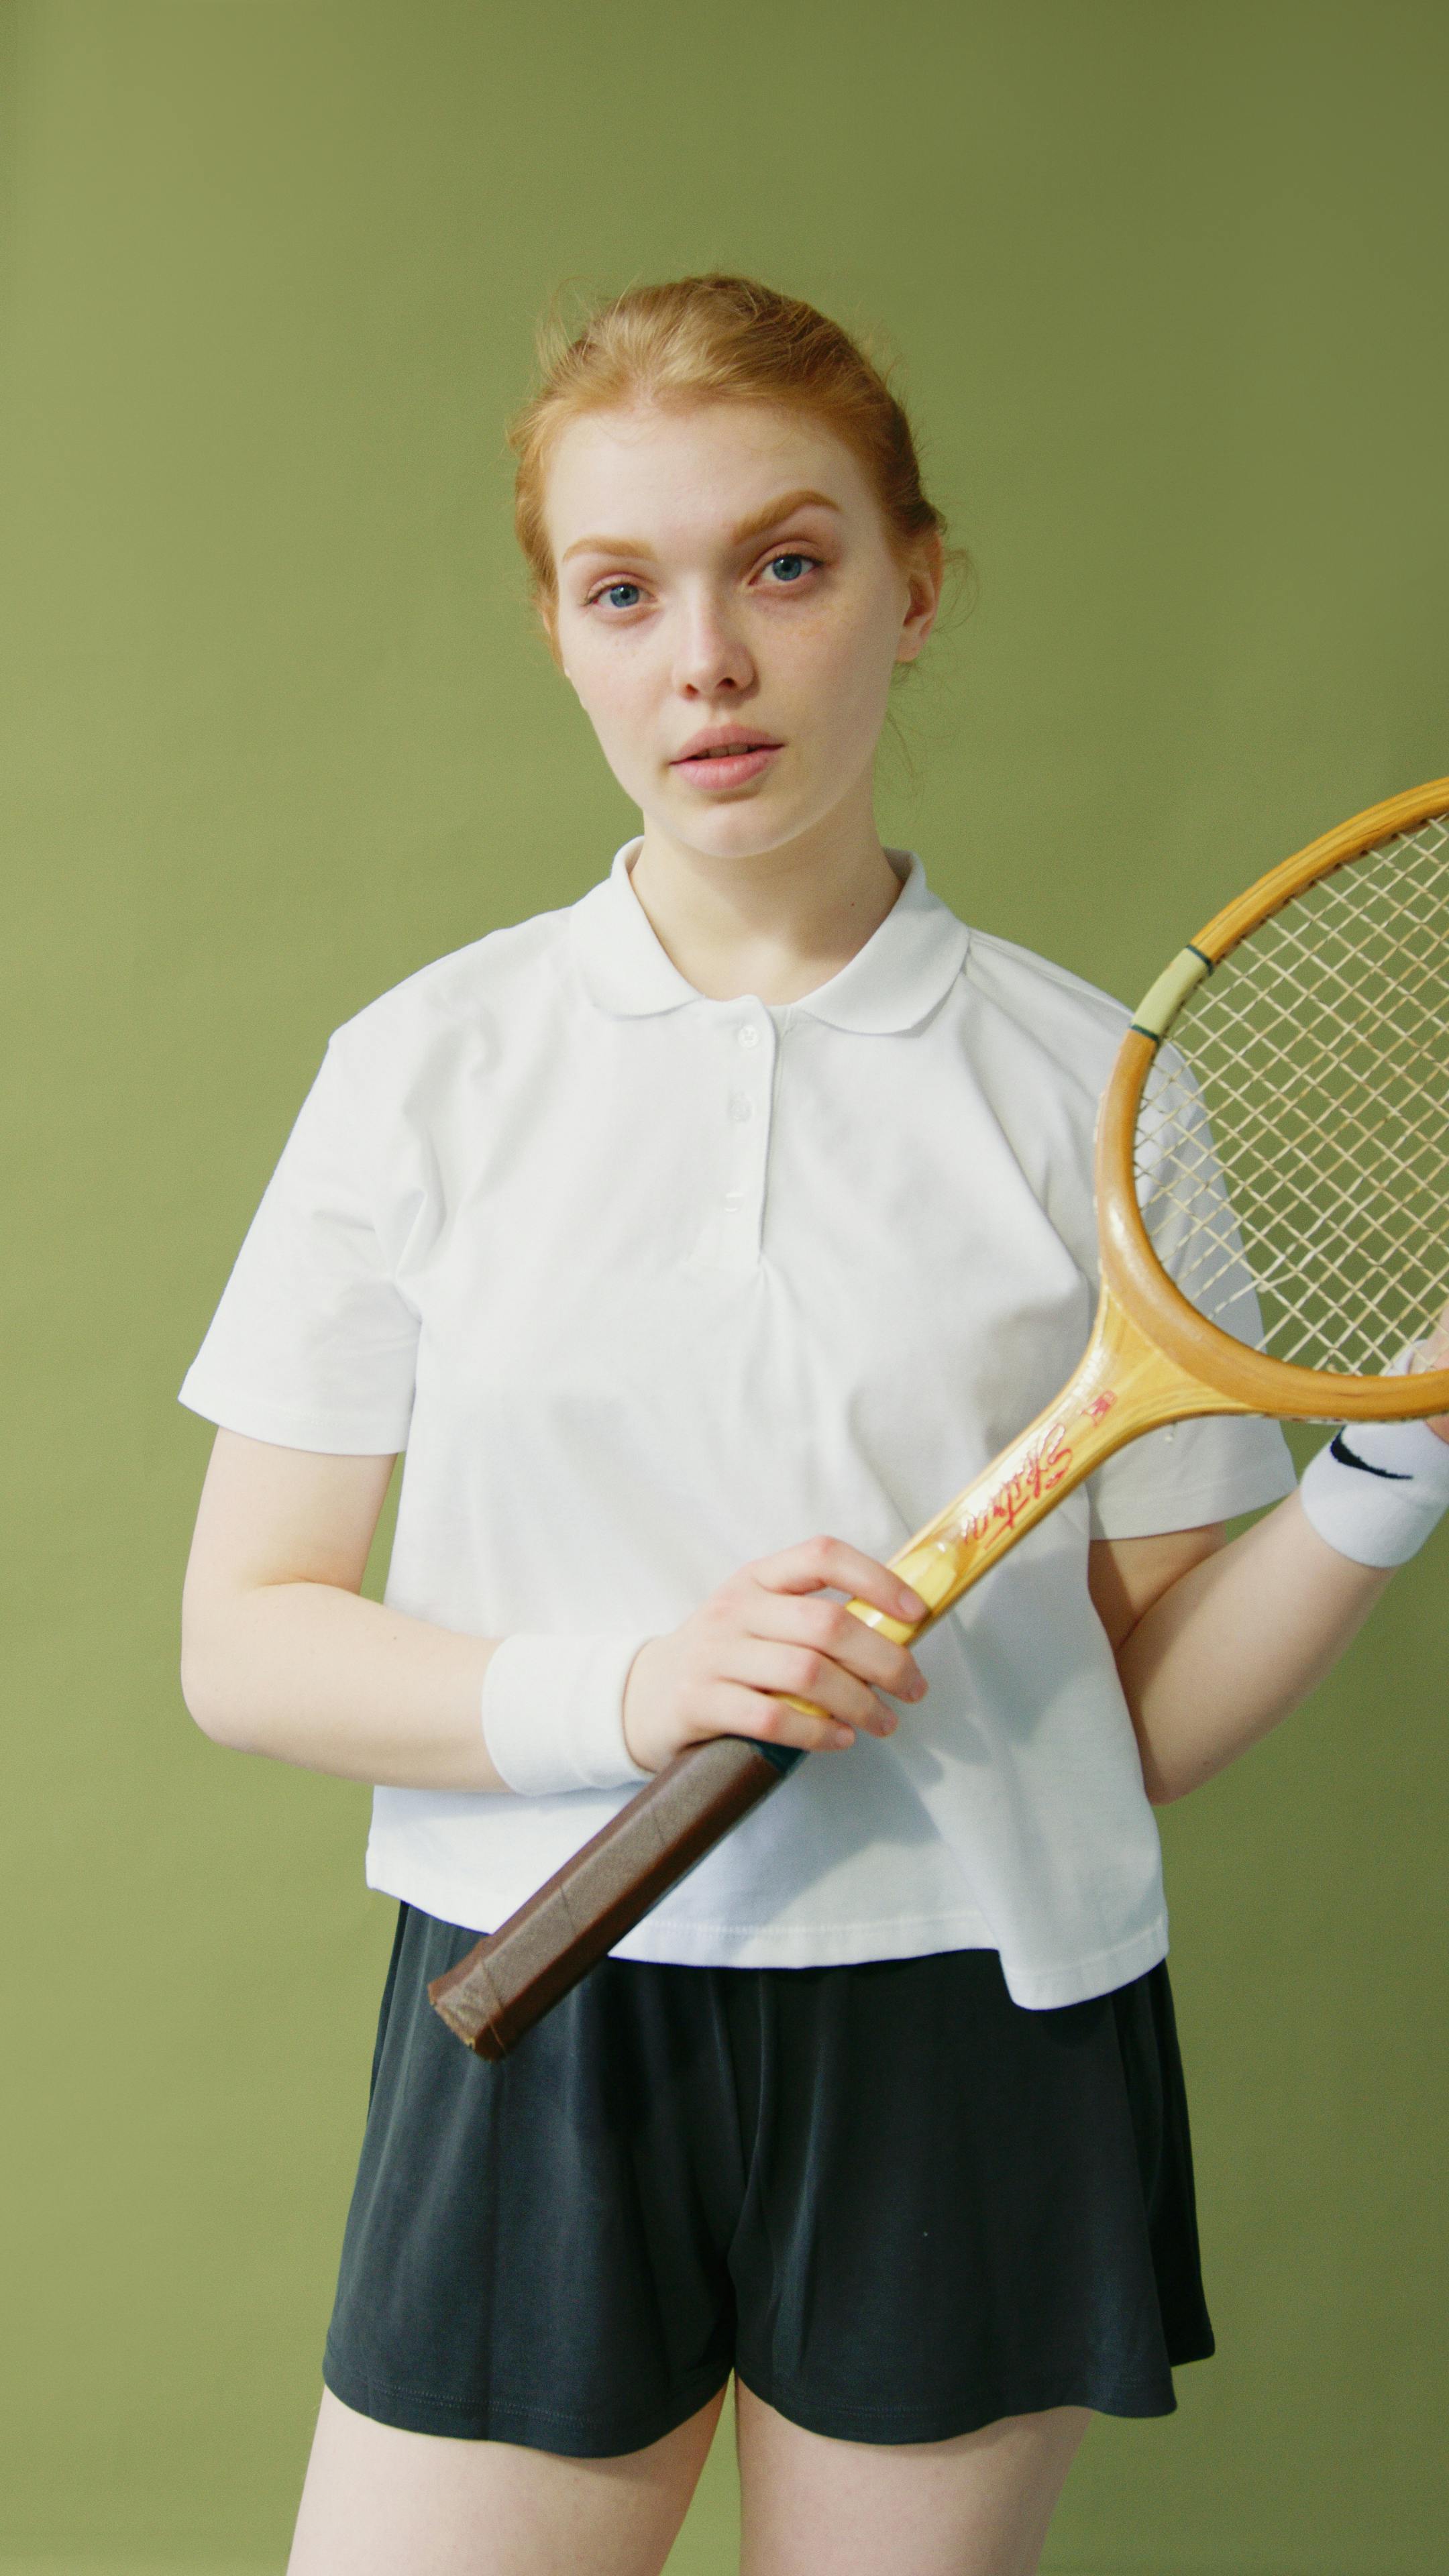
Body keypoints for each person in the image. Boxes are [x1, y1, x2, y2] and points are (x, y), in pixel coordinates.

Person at [177, 275, 1449, 2576]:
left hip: (978, 2022)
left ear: (914, 583)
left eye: (787, 562)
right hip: (541, 2004)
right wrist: (634, 1690)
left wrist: (1406, 1457)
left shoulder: (1098, 1089)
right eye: (623, 588)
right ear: (558, 633)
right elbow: (244, 1640)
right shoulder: (424, 1068)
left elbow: (1144, 1713)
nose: (710, 663)